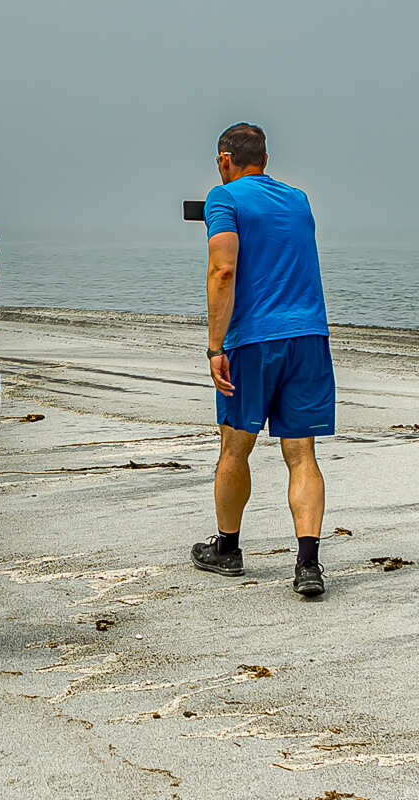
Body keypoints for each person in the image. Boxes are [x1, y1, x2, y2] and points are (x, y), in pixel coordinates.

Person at [191, 123, 335, 597]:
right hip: (309, 337)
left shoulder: (223, 197)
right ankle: (308, 563)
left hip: (254, 340)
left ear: (224, 160)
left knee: (235, 447)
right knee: (301, 454)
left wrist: (215, 345)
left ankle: (228, 549)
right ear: (266, 160)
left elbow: (223, 268)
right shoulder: (298, 199)